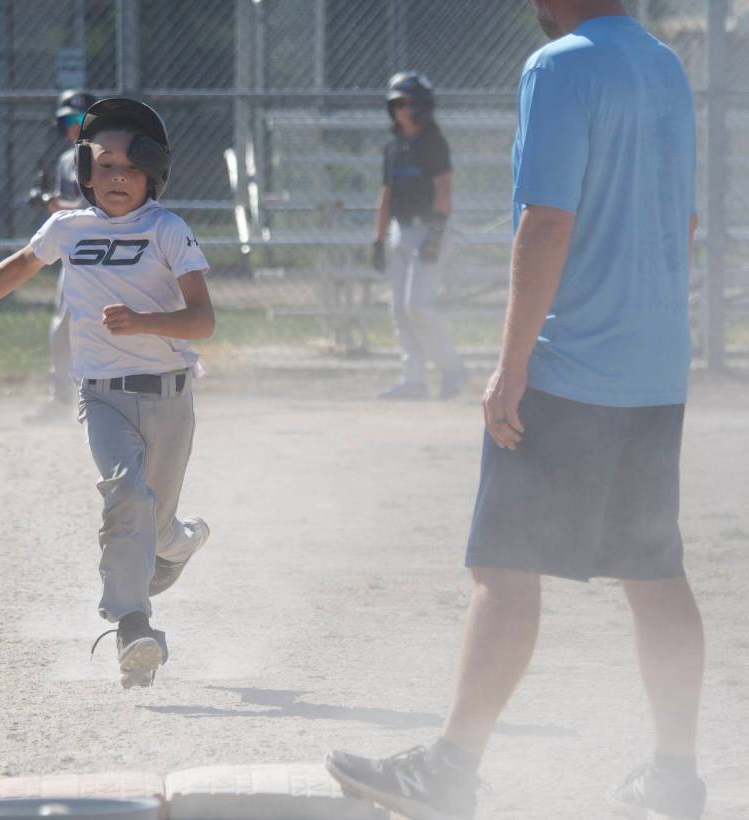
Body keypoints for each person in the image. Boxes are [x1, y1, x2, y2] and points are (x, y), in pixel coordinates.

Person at [328, 2, 705, 818]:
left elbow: (547, 218)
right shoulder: (665, 65)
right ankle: (676, 778)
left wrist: (513, 361)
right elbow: (686, 218)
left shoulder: (561, 64)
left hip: (573, 362)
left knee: (504, 569)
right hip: (654, 361)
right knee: (654, 570)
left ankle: (449, 771)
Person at [0, 98, 214, 689]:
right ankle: (134, 626)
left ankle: (179, 542)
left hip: (169, 398)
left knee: (156, 524)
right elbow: (22, 264)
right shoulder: (69, 227)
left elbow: (202, 321)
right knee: (125, 498)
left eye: (131, 168)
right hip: (103, 397)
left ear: (153, 173)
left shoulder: (166, 229)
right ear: (84, 169)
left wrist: (143, 321)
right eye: (104, 164)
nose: (116, 178)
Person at [372, 71, 467, 401]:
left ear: (423, 107)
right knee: (399, 309)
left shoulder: (432, 142)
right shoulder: (393, 147)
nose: (402, 109)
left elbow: (444, 189)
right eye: (397, 103)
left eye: (409, 103)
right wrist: (377, 240)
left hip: (429, 229)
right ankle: (413, 380)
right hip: (400, 230)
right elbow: (385, 195)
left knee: (418, 306)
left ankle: (452, 368)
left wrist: (435, 235)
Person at [23, 89, 98, 425]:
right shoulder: (66, 160)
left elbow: (93, 209)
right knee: (62, 329)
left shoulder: (103, 157)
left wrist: (56, 205)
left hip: (104, 254)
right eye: (68, 120)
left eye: (80, 120)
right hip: (74, 256)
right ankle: (61, 398)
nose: (74, 127)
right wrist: (49, 200)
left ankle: (99, 399)